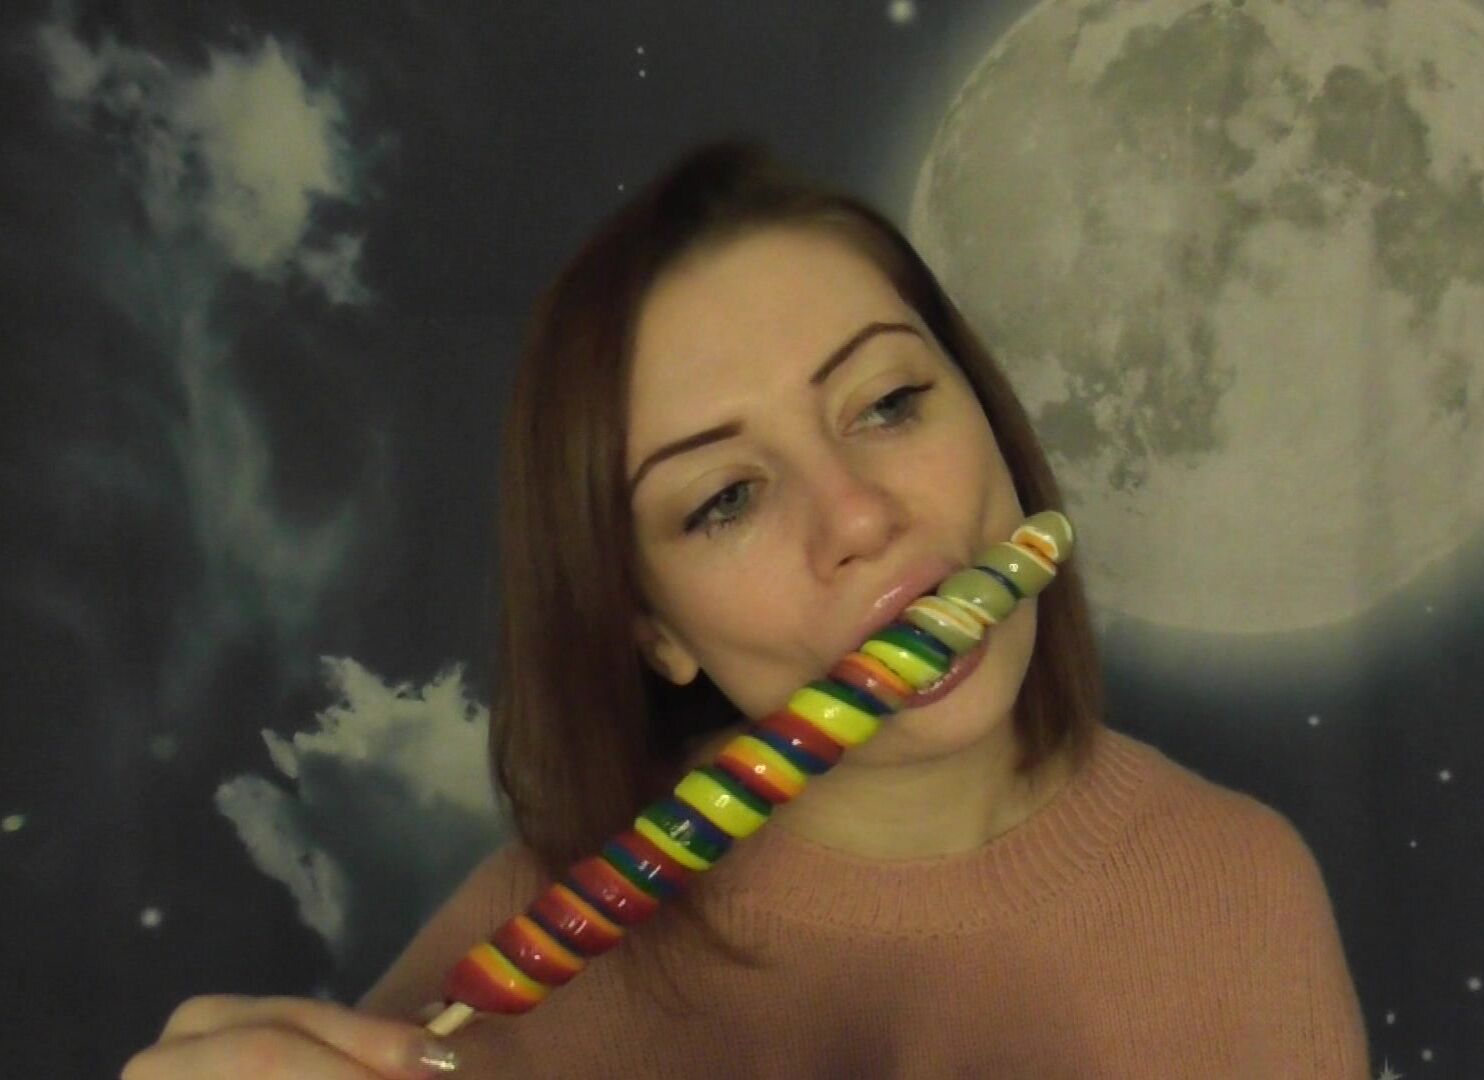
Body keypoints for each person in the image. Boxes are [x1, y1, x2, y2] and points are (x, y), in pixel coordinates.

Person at [121, 141, 1370, 1078]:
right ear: (650, 628)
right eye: (725, 499)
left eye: (889, 403)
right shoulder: (513, 974)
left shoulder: (1238, 889)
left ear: (988, 415)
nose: (859, 516)